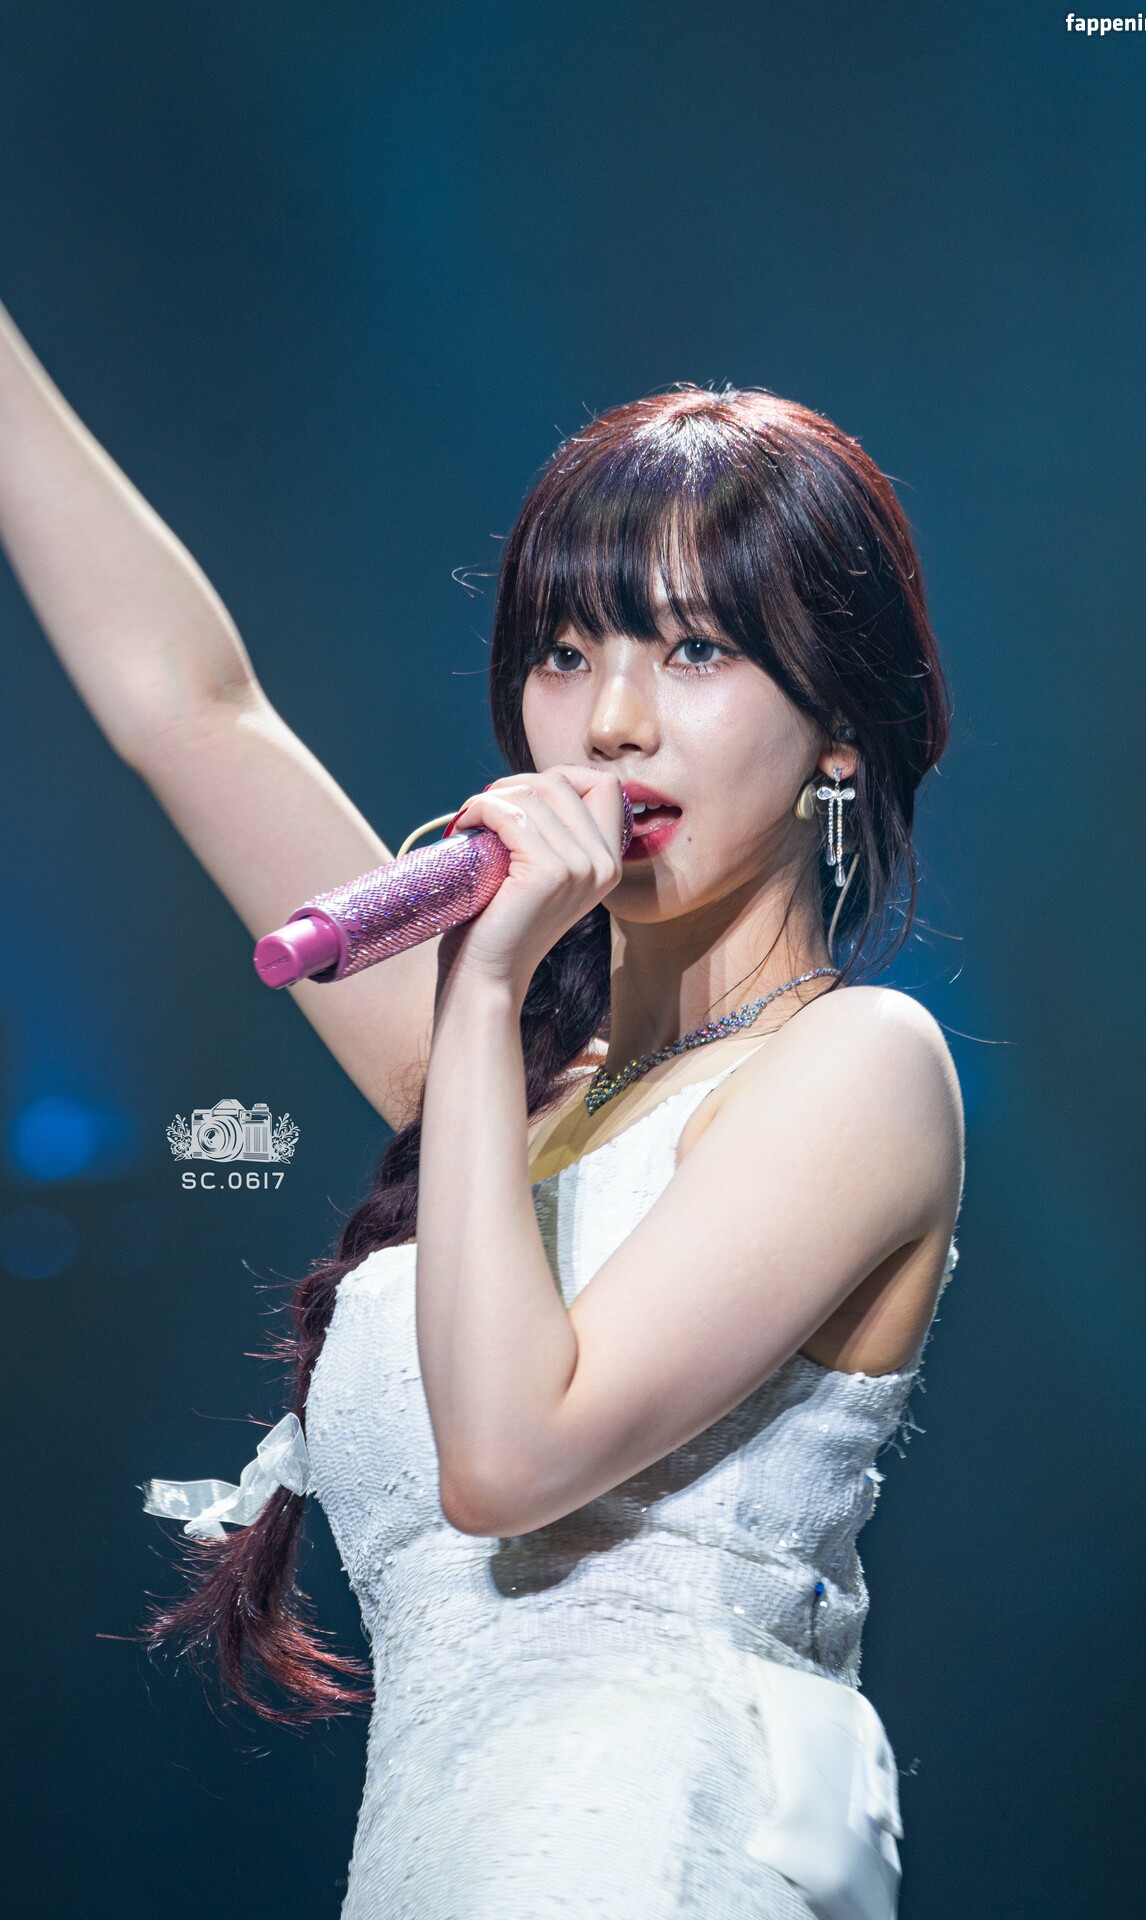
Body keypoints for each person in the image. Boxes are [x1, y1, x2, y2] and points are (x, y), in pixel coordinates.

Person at [1, 296, 964, 1920]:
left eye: (697, 651)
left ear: (843, 737)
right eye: (566, 651)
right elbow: (189, 708)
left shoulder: (860, 1065)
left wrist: (484, 977)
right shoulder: (505, 1087)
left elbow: (510, 1460)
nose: (612, 719)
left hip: (653, 1856)